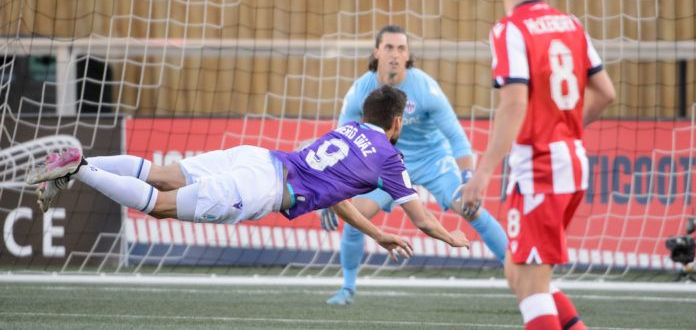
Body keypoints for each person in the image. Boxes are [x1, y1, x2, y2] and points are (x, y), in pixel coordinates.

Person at [26, 85, 470, 261]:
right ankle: (79, 169)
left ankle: (77, 163)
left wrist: (375, 234)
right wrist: (453, 238)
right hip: (262, 187)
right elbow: (422, 219)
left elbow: (334, 195)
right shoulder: (390, 158)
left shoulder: (349, 128)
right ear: (396, 124)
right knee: (160, 207)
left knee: (161, 175)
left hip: (258, 157)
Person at [461, 0, 616, 330]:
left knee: (530, 286)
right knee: (520, 275)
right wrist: (564, 130)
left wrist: (481, 175)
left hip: (541, 170)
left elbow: (514, 104)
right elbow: (605, 92)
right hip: (571, 164)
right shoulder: (571, 24)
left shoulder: (510, 30)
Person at [322, 24, 508, 305]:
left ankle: (517, 269)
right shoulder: (361, 90)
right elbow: (341, 141)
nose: (395, 54)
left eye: (401, 48)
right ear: (376, 52)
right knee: (353, 217)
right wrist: (331, 190)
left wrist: (468, 177)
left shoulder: (425, 89)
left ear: (409, 55)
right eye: (389, 48)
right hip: (386, 164)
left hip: (433, 160)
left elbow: (457, 137)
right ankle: (347, 288)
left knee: (471, 209)